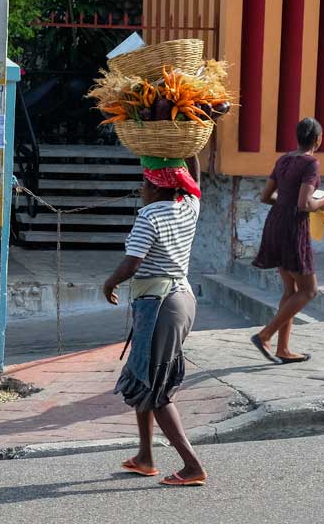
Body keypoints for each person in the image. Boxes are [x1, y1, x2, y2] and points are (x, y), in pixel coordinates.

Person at [103, 155, 207, 487]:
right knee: (142, 379)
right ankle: (145, 456)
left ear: (155, 186)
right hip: (181, 301)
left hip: (161, 304)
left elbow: (132, 263)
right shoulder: (189, 206)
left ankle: (192, 466)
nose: (141, 188)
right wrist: (188, 148)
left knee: (157, 390)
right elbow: (197, 179)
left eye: (145, 182)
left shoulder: (150, 216)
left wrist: (109, 283)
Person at [250, 117, 324, 364]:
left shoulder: (283, 159)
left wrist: (287, 202)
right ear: (318, 140)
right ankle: (265, 335)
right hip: (292, 229)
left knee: (291, 290)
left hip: (274, 224)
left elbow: (265, 197)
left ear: (297, 137)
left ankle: (283, 349)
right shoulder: (311, 164)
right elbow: (304, 204)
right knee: (310, 290)